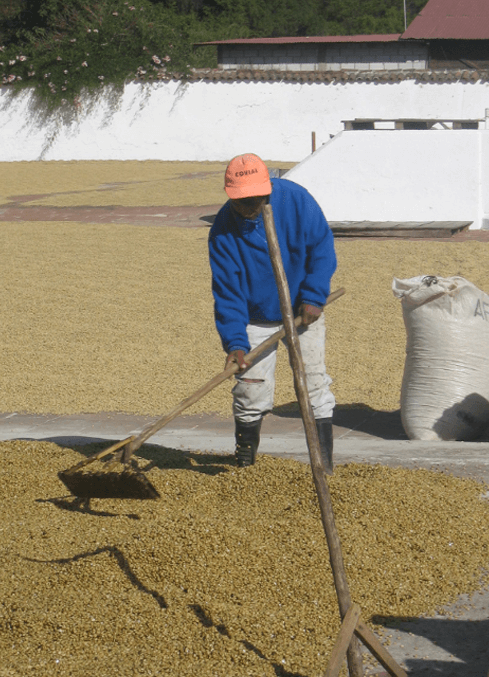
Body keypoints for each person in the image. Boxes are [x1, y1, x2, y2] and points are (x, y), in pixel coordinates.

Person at [208, 153, 337, 472]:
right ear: (231, 197)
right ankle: (245, 464)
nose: (252, 207)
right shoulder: (223, 232)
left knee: (313, 383)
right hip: (255, 316)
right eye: (243, 202)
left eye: (258, 199)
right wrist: (236, 344)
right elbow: (228, 294)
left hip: (301, 311)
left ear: (268, 190)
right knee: (251, 389)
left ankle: (324, 467)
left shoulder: (297, 201)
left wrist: (313, 295)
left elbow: (322, 251)